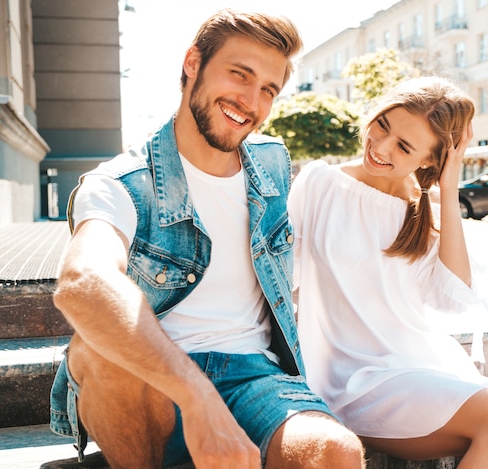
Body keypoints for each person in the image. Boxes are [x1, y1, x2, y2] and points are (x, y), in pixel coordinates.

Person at [49, 9, 364, 469]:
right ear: (193, 62)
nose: (251, 101)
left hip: (255, 380)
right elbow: (82, 283)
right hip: (148, 383)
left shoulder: (273, 163)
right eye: (240, 74)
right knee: (100, 345)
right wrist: (197, 396)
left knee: (334, 452)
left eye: (268, 90)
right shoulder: (122, 184)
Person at [289, 76, 488, 468]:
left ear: (430, 159)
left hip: (418, 366)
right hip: (352, 378)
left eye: (405, 146)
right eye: (383, 125)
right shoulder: (319, 182)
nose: (381, 146)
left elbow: (453, 297)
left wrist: (449, 184)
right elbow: (281, 278)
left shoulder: (424, 210)